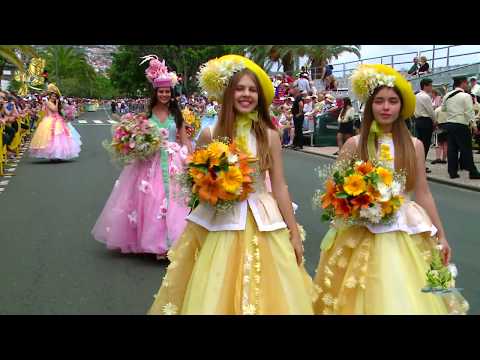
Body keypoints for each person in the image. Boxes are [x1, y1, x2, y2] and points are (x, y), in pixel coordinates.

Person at [148, 54, 314, 315]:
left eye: (252, 89)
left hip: (263, 216)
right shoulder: (210, 134)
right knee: (215, 284)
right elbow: (195, 179)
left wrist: (294, 233)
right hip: (222, 219)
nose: (246, 94)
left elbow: (279, 186)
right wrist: (213, 185)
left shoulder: (269, 135)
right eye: (239, 89)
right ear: (228, 93)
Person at [312, 64, 469, 315]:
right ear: (370, 105)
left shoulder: (414, 145)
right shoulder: (354, 144)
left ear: (402, 106)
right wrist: (354, 204)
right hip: (362, 229)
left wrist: (441, 234)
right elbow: (333, 191)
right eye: (380, 101)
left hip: (405, 226)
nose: (386, 107)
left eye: (393, 101)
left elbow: (423, 192)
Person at [91, 57, 192, 258]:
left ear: (171, 94)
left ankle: (172, 242)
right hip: (150, 162)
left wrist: (191, 158)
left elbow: (184, 139)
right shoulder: (146, 115)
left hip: (173, 163)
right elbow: (139, 137)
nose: (164, 94)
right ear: (155, 93)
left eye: (167, 92)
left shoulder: (177, 114)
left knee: (174, 201)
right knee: (151, 199)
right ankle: (155, 243)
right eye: (161, 91)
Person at [29, 84, 81, 161]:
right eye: (52, 96)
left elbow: (59, 110)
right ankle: (51, 155)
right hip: (50, 120)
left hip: (58, 120)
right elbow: (54, 110)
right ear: (50, 96)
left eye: (55, 96)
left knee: (60, 138)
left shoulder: (54, 102)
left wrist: (67, 111)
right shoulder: (48, 102)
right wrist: (57, 103)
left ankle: (58, 154)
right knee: (50, 138)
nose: (54, 98)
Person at [442, 76, 480, 179]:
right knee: (466, 149)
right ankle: (473, 172)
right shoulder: (465, 96)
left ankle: (452, 172)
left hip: (449, 124)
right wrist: (474, 126)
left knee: (452, 149)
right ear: (463, 83)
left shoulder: (447, 95)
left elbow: (443, 109)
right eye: (466, 83)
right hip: (461, 124)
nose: (467, 85)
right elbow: (469, 112)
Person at [414, 78, 436, 173]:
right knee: (425, 145)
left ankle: (417, 164)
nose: (431, 87)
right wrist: (435, 121)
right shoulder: (426, 97)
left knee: (420, 143)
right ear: (425, 86)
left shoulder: (416, 96)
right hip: (426, 121)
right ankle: (421, 165)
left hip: (418, 120)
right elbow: (430, 111)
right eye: (430, 85)